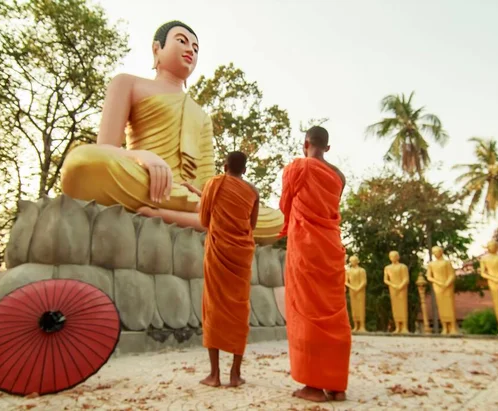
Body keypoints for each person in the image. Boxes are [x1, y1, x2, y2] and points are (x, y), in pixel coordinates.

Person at [60, 20, 282, 244]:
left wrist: (205, 196)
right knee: (82, 162)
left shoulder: (201, 116)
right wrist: (142, 157)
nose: (190, 51)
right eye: (182, 41)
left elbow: (205, 184)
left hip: (187, 197)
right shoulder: (127, 83)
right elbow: (105, 148)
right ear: (157, 49)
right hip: (145, 182)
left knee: (278, 220)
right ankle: (204, 220)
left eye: (195, 49)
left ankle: (174, 215)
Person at [279, 126, 350, 402]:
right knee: (333, 311)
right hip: (330, 249)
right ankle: (336, 385)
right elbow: (330, 208)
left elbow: (286, 205)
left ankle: (313, 386)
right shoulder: (339, 176)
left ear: (305, 143)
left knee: (307, 310)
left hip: (306, 250)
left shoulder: (296, 168)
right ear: (328, 148)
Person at [197, 151, 259, 388]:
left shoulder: (213, 184)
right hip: (241, 256)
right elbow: (251, 226)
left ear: (224, 166)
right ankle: (235, 374)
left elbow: (204, 220)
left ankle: (214, 375)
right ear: (245, 169)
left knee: (213, 307)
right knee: (239, 309)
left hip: (217, 252)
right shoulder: (253, 192)